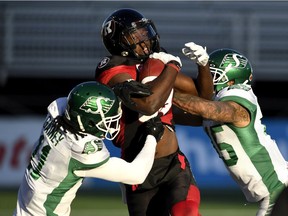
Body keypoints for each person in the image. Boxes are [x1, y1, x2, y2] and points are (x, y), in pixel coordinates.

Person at [95, 8, 213, 216]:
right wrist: (172, 66)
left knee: (187, 212)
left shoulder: (155, 63)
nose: (145, 41)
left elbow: (203, 98)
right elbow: (149, 104)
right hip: (138, 168)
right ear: (118, 42)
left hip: (173, 164)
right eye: (136, 36)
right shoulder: (112, 70)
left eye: (144, 33)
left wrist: (203, 65)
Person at [13, 81, 165, 216]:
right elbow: (136, 175)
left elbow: (81, 104)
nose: (111, 125)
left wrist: (114, 92)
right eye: (107, 120)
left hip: (26, 206)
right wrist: (151, 137)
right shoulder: (81, 149)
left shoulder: (58, 110)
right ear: (88, 122)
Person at [173, 48, 288, 216]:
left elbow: (208, 110)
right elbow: (182, 115)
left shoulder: (238, 100)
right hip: (276, 191)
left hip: (278, 190)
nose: (207, 82)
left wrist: (166, 94)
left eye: (213, 76)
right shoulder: (219, 103)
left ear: (231, 80)